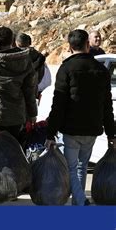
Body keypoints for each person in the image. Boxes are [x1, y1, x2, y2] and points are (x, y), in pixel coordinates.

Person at [45, 29, 115, 206]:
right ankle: (78, 202)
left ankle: (80, 199)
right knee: (82, 166)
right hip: (92, 129)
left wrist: (50, 133)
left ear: (70, 46)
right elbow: (108, 105)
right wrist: (111, 133)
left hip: (71, 129)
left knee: (72, 167)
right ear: (87, 45)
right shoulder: (101, 70)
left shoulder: (66, 68)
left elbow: (58, 104)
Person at [0, 27, 37, 140]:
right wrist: (33, 113)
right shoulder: (25, 60)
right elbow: (29, 90)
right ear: (13, 40)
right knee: (17, 152)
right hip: (18, 116)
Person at [15, 33, 51, 99]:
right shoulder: (37, 55)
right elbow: (46, 78)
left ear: (17, 43)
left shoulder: (15, 56)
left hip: (19, 92)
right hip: (35, 89)